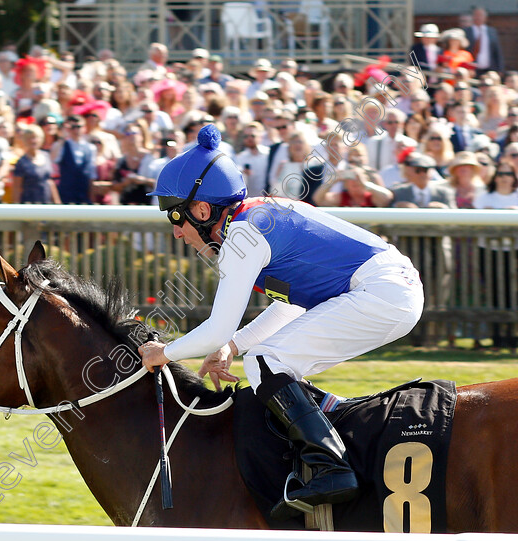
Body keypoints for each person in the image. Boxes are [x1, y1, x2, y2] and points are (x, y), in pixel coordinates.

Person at [138, 124, 423, 519]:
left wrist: (164, 352)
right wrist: (233, 347)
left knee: (267, 362)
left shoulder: (243, 236)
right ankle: (333, 441)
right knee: (265, 360)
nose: (175, 232)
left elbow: (216, 328)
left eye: (175, 216)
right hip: (389, 287)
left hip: (382, 291)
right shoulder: (255, 218)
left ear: (202, 210)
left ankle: (332, 467)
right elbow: (290, 306)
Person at [474, 162, 518, 349]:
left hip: (514, 251)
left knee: (513, 295)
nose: (503, 177)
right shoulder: (484, 196)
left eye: (508, 173)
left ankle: (512, 337)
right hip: (489, 251)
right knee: (493, 294)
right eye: (500, 173)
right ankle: (496, 337)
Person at [11, 124, 60, 204]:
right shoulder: (21, 162)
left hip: (46, 204)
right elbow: (17, 188)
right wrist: (16, 208)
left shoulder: (46, 156)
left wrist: (57, 203)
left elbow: (50, 182)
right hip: (29, 205)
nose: (33, 141)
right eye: (29, 138)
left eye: (35, 137)